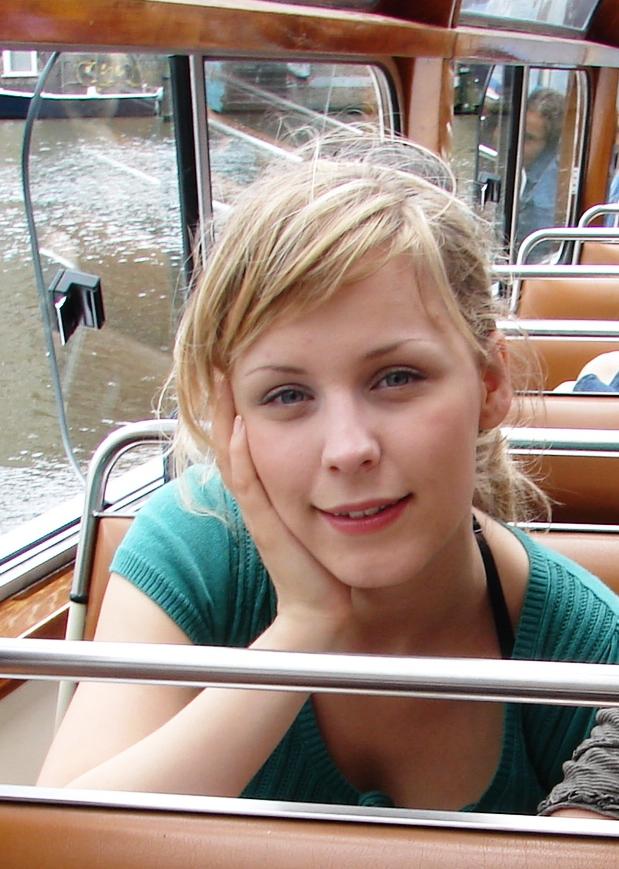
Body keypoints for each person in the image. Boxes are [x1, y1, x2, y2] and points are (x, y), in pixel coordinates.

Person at [37, 135, 619, 817]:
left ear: (489, 384)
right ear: (233, 419)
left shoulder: (585, 651)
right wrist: (303, 629)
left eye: (397, 377)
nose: (347, 449)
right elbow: (56, 841)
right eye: (286, 395)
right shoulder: (197, 546)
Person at [516, 88, 565, 254]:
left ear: (550, 144)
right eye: (517, 132)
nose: (518, 144)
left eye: (528, 138)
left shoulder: (543, 195)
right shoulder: (531, 174)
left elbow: (535, 253)